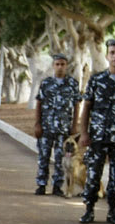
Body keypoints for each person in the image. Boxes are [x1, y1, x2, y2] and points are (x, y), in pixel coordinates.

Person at [78, 39, 115, 224]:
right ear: (107, 56)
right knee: (93, 174)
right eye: (112, 53)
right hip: (98, 136)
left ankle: (112, 212)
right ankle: (89, 210)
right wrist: (84, 133)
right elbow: (87, 108)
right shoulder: (96, 80)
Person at [33, 53, 80, 197]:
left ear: (66, 66)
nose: (60, 67)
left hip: (63, 129)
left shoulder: (72, 84)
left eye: (62, 64)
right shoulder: (46, 83)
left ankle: (57, 186)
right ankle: (41, 184)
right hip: (46, 126)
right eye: (57, 64)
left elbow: (77, 104)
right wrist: (37, 124)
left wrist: (74, 125)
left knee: (61, 159)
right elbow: (39, 103)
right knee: (43, 157)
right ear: (53, 66)